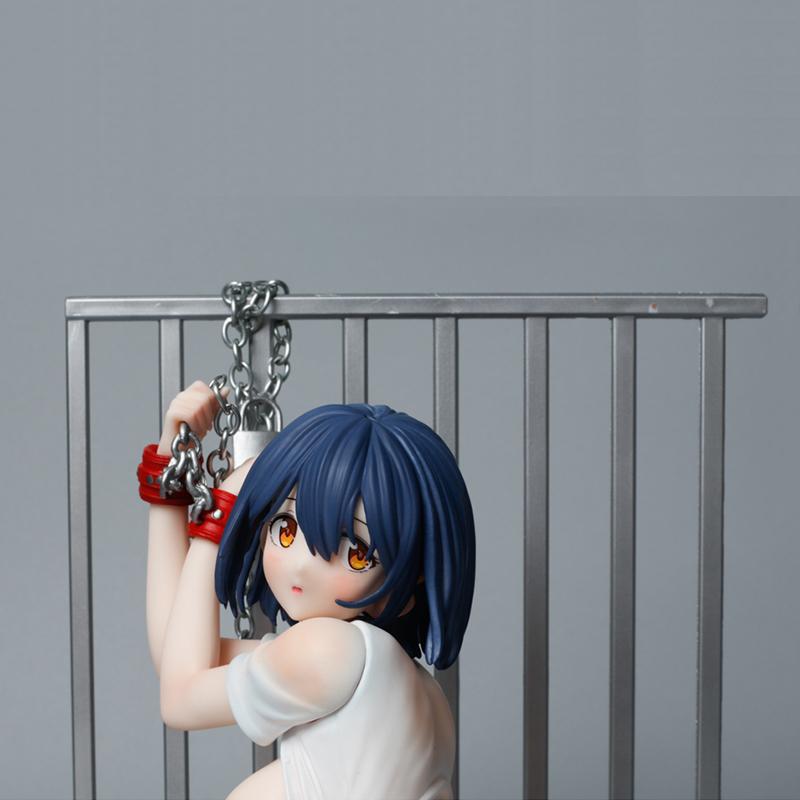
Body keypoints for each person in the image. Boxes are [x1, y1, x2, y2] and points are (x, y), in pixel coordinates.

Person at [142, 381, 476, 799]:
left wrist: (220, 517)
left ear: (412, 573)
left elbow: (179, 698)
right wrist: (168, 476)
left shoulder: (329, 651)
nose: (301, 563)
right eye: (285, 528)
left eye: (356, 551)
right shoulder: (407, 684)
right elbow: (179, 656)